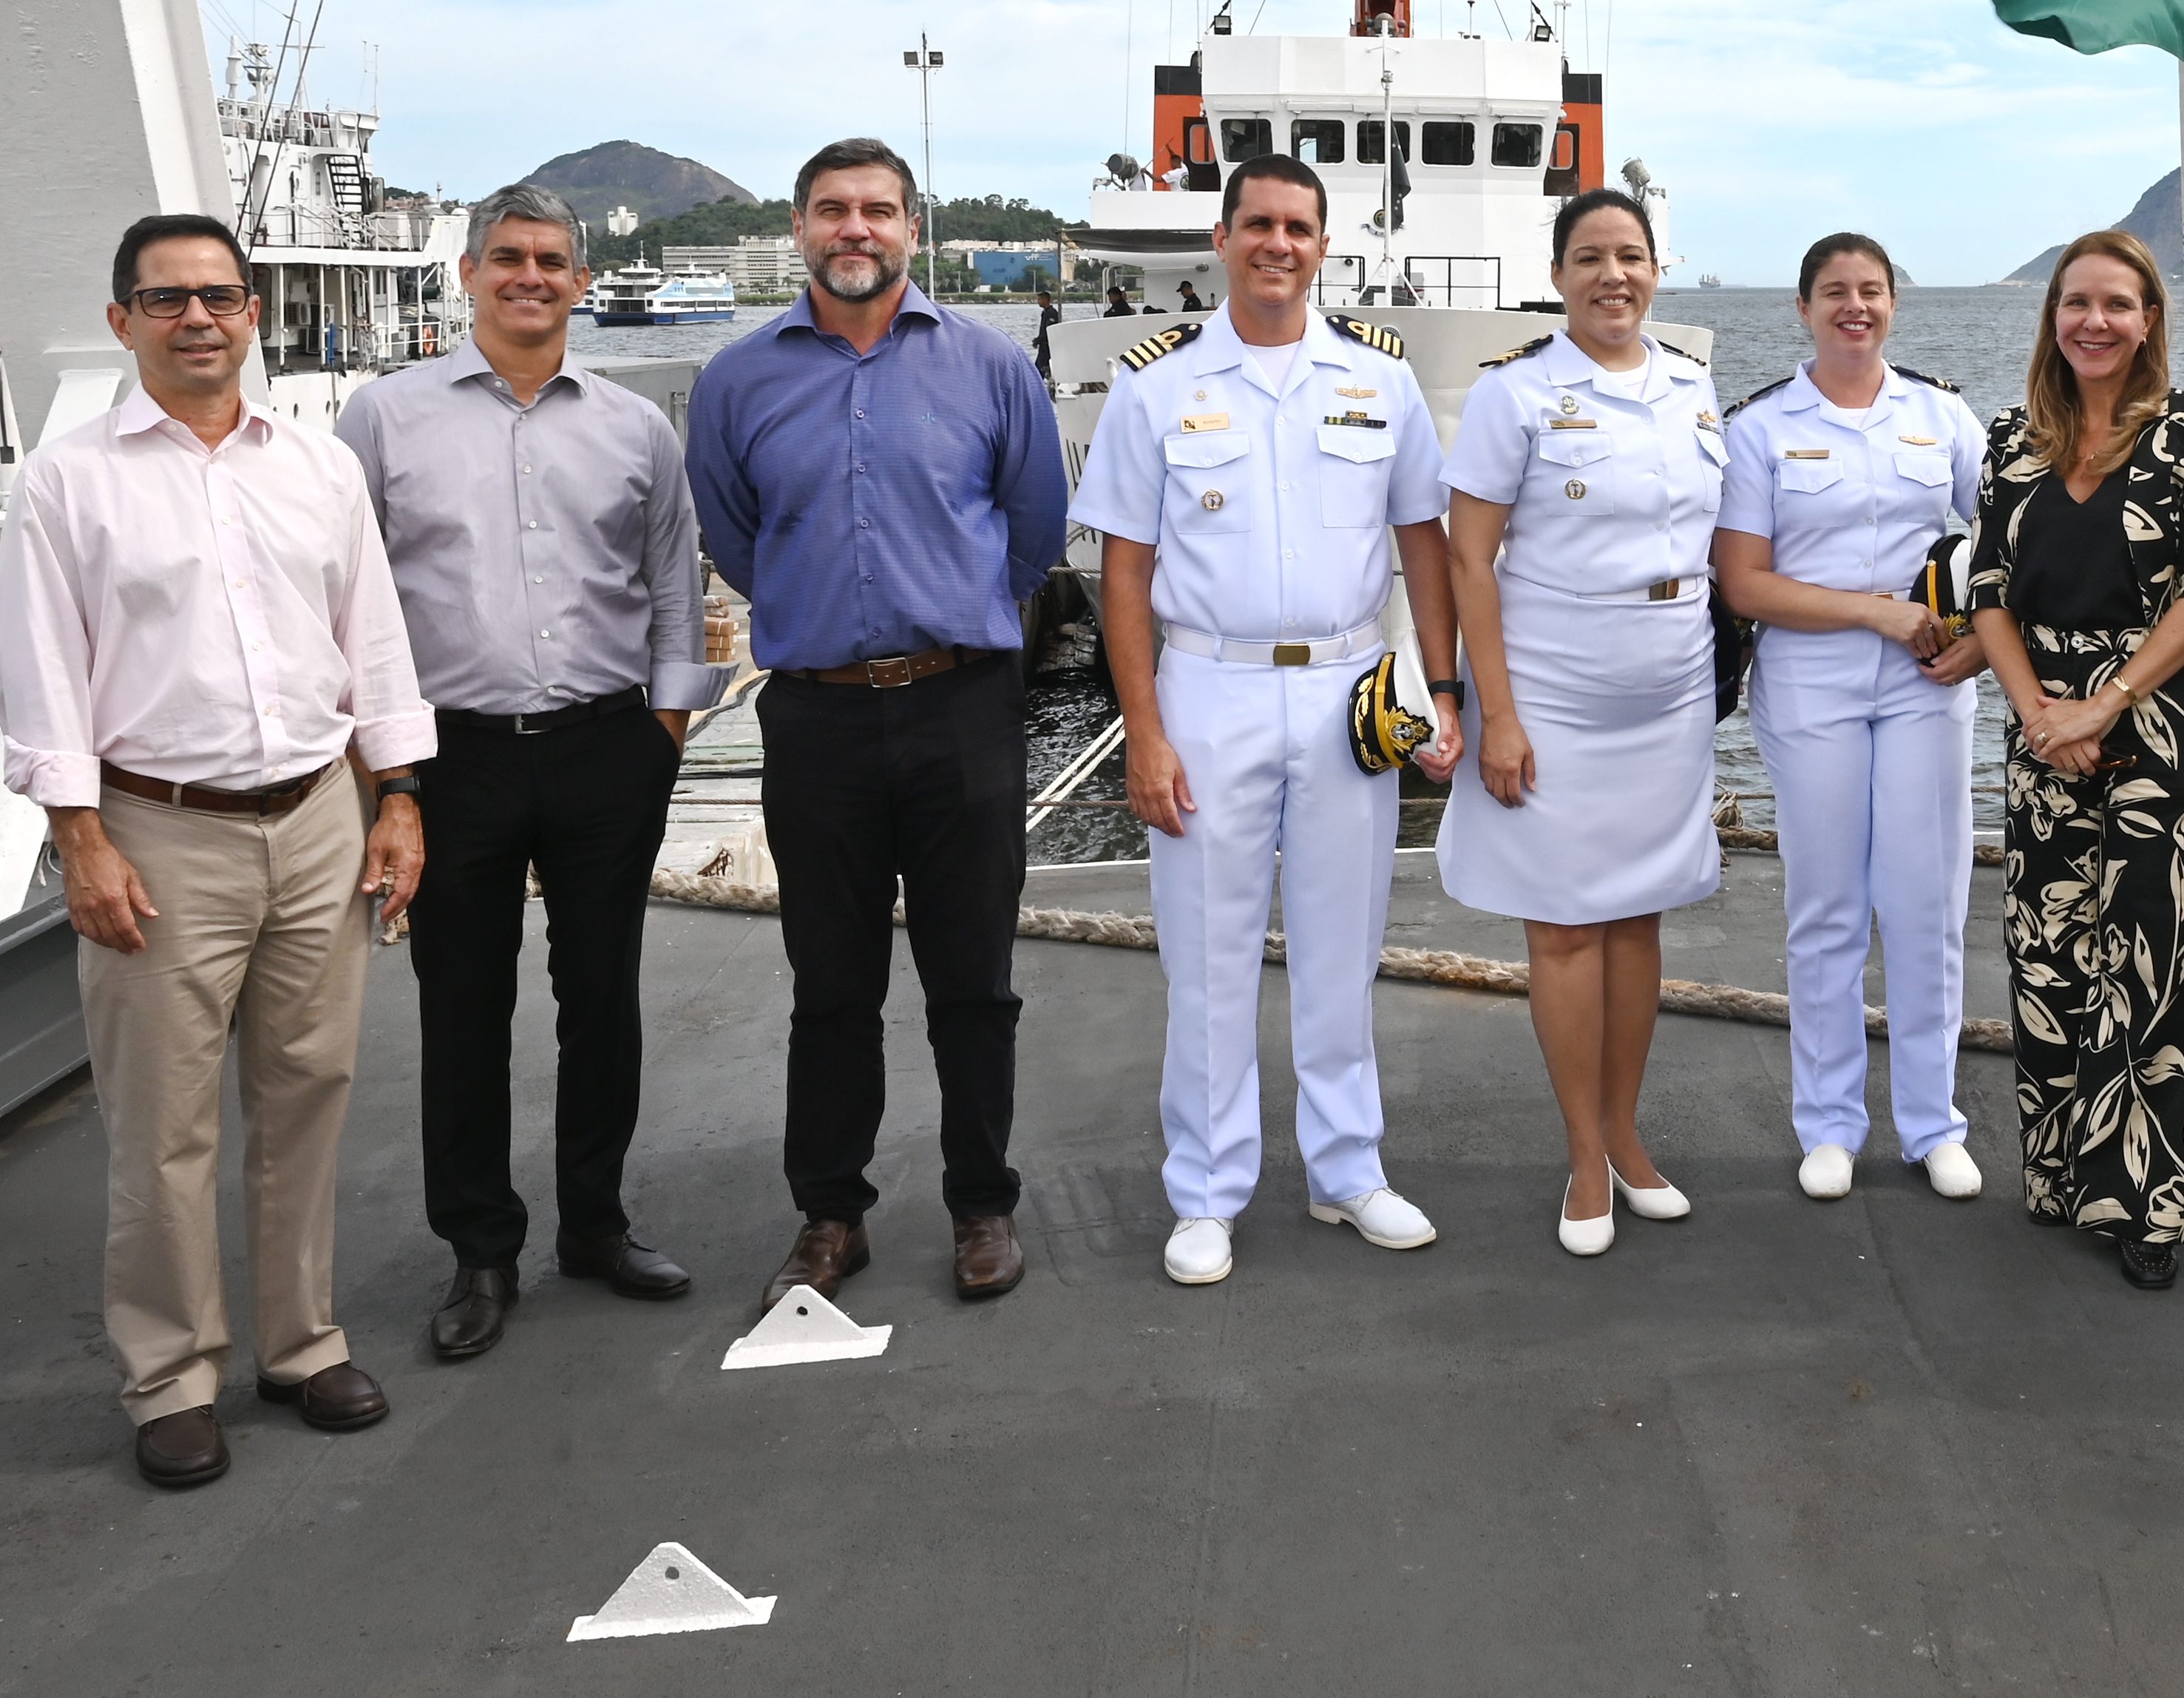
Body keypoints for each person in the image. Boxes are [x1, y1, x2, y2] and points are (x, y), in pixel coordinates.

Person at [0, 213, 433, 1490]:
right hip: (157, 829)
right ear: (124, 319)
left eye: (221, 297)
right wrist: (80, 837)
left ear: (254, 316)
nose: (199, 319)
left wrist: (394, 797)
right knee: (163, 1126)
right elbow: (41, 676)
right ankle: (172, 1377)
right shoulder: (69, 483)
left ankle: (302, 1344)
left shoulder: (314, 470)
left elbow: (374, 642)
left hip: (314, 819)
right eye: (168, 298)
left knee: (307, 1096)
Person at [333, 182, 718, 1363]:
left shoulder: (632, 428)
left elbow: (672, 587)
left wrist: (666, 730)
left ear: (582, 282)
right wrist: (386, 773)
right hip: (454, 760)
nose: (531, 278)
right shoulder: (382, 420)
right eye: (508, 257)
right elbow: (349, 597)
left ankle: (595, 1226)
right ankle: (482, 1252)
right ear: (467, 273)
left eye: (553, 260)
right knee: (465, 1011)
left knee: (604, 1000)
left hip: (609, 746)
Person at [686, 138, 1071, 1313]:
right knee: (831, 981)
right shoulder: (736, 383)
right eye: (832, 210)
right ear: (801, 227)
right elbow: (735, 536)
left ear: (914, 228)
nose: (856, 230)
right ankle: (831, 1213)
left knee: (974, 978)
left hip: (962, 707)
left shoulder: (993, 369)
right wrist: (828, 619)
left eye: (879, 211)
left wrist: (946, 613)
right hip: (819, 720)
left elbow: (1035, 529)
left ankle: (981, 1201)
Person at [1076, 152, 1465, 1285]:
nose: (1278, 246)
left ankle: (1349, 1171)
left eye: (1298, 227)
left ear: (1323, 243)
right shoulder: (1157, 386)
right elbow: (1125, 573)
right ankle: (1206, 1190)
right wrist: (1144, 731)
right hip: (1210, 687)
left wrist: (1436, 688)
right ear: (1224, 239)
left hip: (1348, 690)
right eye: (1258, 226)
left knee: (1344, 946)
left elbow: (1423, 546)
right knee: (1207, 953)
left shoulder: (1378, 381)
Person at [1438, 186, 1726, 1254]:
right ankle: (1582, 1159)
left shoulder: (1695, 391)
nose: (1616, 274)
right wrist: (1495, 714)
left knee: (1641, 916)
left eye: (1634, 256)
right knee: (1563, 927)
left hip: (1669, 687)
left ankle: (1627, 1134)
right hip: (1555, 688)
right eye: (1594, 257)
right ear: (1559, 275)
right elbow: (1471, 558)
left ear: (1657, 271)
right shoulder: (1515, 397)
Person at [1966, 231, 2184, 1290]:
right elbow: (1989, 589)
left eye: (2117, 305)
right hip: (2043, 727)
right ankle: (2057, 1178)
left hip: (2158, 724)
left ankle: (2148, 1205)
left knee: (2157, 967)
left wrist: (2105, 706)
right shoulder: (2013, 439)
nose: (2094, 321)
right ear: (2053, 317)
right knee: (2051, 960)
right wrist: (2038, 707)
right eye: (2076, 302)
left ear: (2149, 320)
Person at [1714, 233, 1992, 1203]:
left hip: (1927, 682)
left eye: (1871, 291)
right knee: (1826, 907)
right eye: (1835, 292)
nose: (1855, 307)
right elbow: (1744, 582)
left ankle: (1932, 1122)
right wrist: (1878, 611)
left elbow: (2003, 536)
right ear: (1803, 308)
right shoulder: (1760, 430)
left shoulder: (1942, 415)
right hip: (1814, 683)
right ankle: (1828, 1123)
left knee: (1927, 904)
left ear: (1893, 304)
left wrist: (1985, 640)